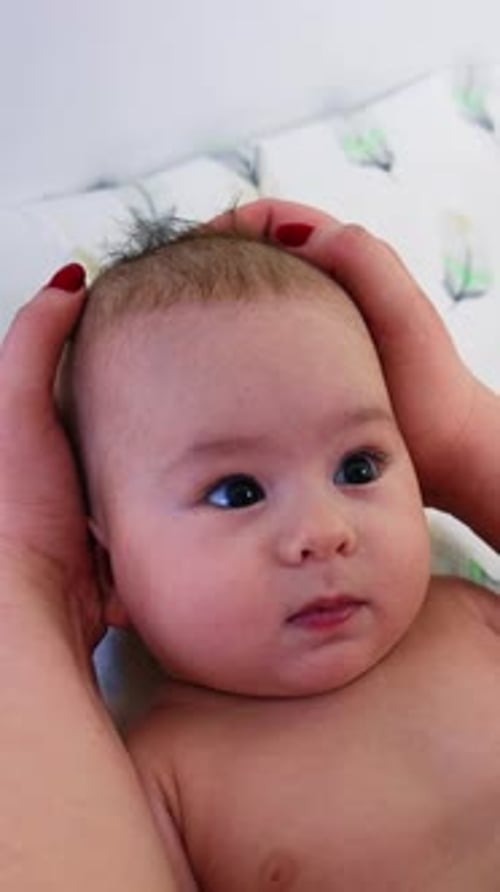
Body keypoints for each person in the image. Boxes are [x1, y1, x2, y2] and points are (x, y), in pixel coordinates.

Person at [0, 199, 498, 892]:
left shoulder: (473, 618)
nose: (325, 531)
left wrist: (468, 433)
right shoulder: (161, 777)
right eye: (237, 491)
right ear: (109, 569)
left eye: (358, 468)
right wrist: (26, 573)